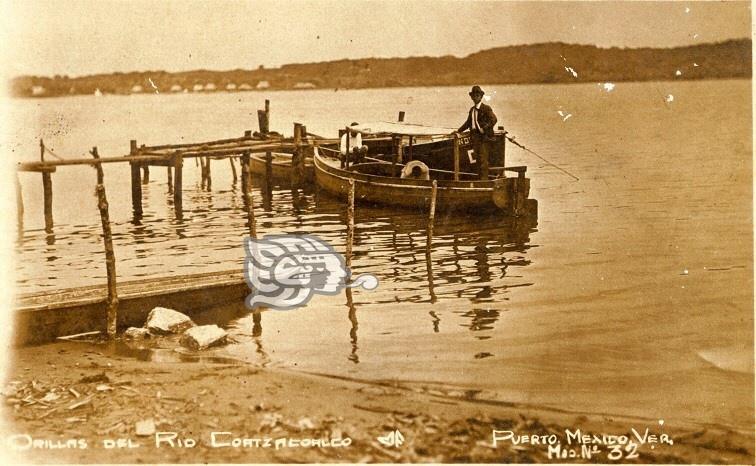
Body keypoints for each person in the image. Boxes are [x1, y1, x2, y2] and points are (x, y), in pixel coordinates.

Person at [455, 85, 497, 179]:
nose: (475, 97)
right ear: (472, 97)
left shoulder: (486, 108)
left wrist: (484, 128)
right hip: (475, 138)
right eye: (473, 96)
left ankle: (485, 181)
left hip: (484, 138)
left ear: (481, 97)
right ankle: (479, 180)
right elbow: (468, 123)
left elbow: (494, 119)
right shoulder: (472, 110)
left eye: (477, 95)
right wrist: (458, 131)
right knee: (477, 160)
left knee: (483, 160)